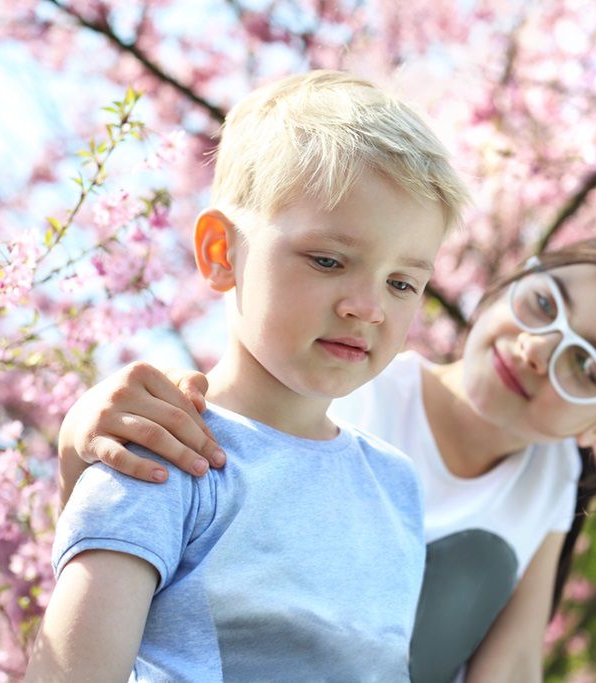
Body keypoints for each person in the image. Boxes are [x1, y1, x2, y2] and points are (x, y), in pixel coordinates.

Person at [57, 235, 596, 683]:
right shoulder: (353, 388)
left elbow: (512, 660)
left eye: (585, 363)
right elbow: (187, 484)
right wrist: (82, 439)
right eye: (543, 305)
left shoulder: (551, 476)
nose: (538, 349)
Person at [25, 70, 469, 681]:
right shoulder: (168, 449)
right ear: (221, 251)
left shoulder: (395, 486)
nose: (368, 307)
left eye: (402, 283)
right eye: (328, 260)